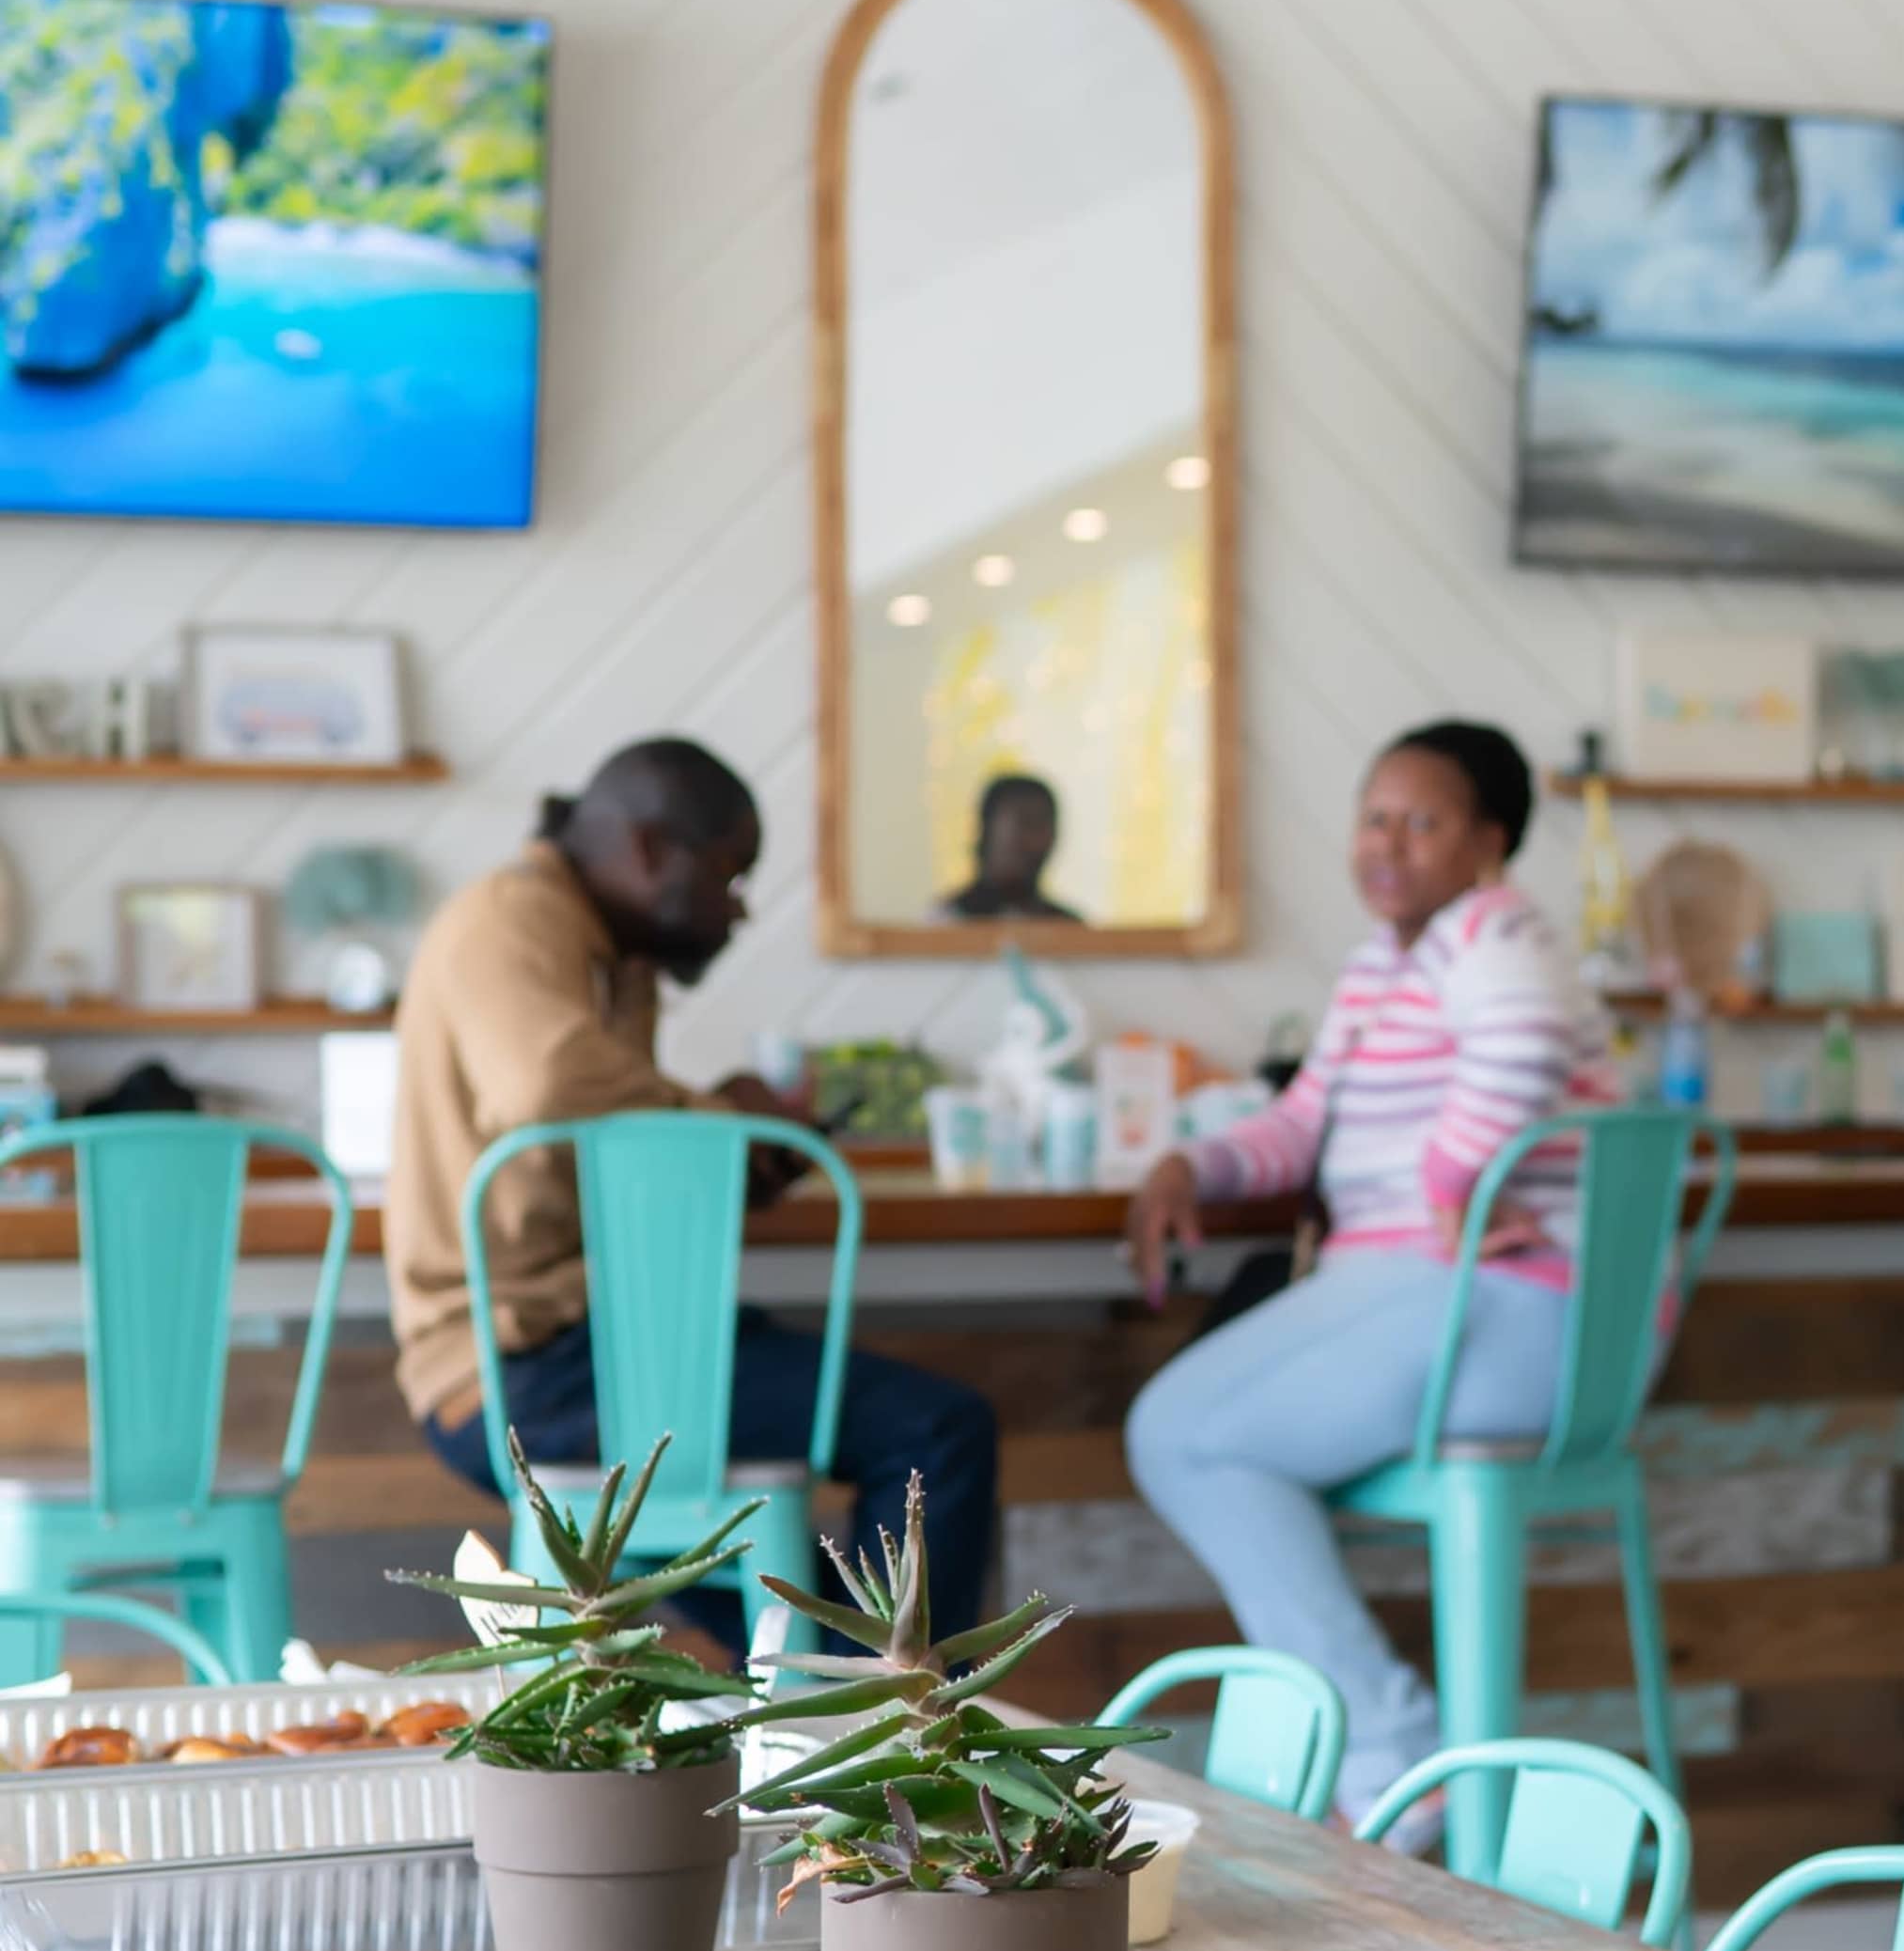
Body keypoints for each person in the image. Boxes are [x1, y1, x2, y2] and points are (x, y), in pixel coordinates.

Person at [393, 739, 1003, 1633]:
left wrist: (732, 1157)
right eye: (729, 874)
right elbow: (546, 1086)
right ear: (648, 849)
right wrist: (723, 1123)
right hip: (530, 1371)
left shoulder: (602, 955)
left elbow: (580, 1154)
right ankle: (890, 1701)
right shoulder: (514, 917)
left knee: (804, 1605)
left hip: (586, 1354)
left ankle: (840, 1686)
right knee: (936, 1433)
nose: (740, 908)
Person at [1122, 722, 1618, 1818]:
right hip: (1440, 1303)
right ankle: (1384, 1752)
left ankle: (1389, 1754)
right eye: (1374, 818)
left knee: (1185, 1434)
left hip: (1507, 1311)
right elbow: (1303, 1125)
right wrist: (1193, 1166)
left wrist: (1450, 1181)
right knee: (1188, 1434)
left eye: (1422, 821)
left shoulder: (1497, 932)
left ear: (1489, 842)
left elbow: (1529, 1045)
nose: (1388, 843)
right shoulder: (1384, 966)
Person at [942, 772, 1082, 925]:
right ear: (988, 830)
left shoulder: (1069, 928)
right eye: (1027, 823)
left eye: (1044, 826)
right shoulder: (944, 923)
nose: (1036, 842)